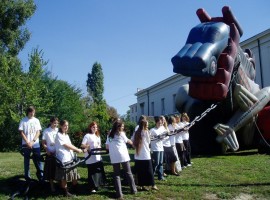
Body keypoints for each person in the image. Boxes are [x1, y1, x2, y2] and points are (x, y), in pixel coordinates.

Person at [106, 120, 137, 199]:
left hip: (114, 156)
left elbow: (107, 146)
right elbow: (128, 141)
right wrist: (134, 144)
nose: (123, 128)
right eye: (122, 126)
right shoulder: (122, 134)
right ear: (118, 127)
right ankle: (133, 190)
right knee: (128, 173)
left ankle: (119, 194)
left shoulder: (110, 134)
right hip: (123, 156)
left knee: (117, 175)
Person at [54, 120, 83, 197]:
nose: (66, 127)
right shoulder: (59, 135)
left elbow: (70, 144)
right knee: (64, 177)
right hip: (63, 158)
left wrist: (75, 150)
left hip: (70, 158)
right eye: (65, 125)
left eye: (67, 125)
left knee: (74, 173)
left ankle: (75, 187)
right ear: (61, 126)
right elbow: (66, 145)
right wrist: (77, 149)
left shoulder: (66, 135)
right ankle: (65, 192)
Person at [132, 118, 158, 191]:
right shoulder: (146, 132)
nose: (147, 127)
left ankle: (141, 185)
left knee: (140, 172)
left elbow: (133, 143)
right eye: (147, 125)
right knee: (149, 171)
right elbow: (149, 142)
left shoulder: (136, 132)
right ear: (143, 125)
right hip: (145, 154)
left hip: (138, 155)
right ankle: (152, 185)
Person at [18, 106, 43, 181]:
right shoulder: (23, 120)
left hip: (36, 144)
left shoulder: (36, 120)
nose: (33, 113)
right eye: (31, 112)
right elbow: (21, 132)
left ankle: (41, 177)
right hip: (26, 144)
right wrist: (27, 142)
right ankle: (27, 177)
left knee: (38, 161)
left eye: (34, 112)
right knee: (26, 161)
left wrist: (33, 141)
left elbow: (38, 132)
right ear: (28, 112)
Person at [81, 121, 106, 193]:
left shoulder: (98, 136)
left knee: (98, 171)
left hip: (98, 156)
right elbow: (82, 145)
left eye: (96, 127)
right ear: (90, 127)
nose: (95, 128)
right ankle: (91, 187)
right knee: (92, 172)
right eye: (93, 127)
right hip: (90, 157)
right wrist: (87, 146)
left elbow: (99, 145)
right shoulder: (87, 135)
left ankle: (98, 185)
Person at [42, 117, 59, 192]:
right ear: (51, 122)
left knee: (59, 169)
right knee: (50, 170)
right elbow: (43, 143)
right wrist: (46, 150)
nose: (56, 124)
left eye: (57, 123)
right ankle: (52, 186)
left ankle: (60, 184)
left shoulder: (59, 130)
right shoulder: (46, 131)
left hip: (58, 153)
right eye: (54, 123)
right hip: (50, 153)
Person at [150, 116, 166, 181]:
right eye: (159, 123)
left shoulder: (162, 129)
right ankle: (151, 176)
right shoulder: (152, 130)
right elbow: (149, 139)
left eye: (161, 123)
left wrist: (163, 137)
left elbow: (166, 136)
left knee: (161, 163)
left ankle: (160, 176)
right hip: (155, 148)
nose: (160, 124)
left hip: (161, 147)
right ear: (156, 123)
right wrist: (156, 137)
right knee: (156, 163)